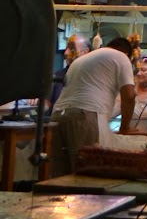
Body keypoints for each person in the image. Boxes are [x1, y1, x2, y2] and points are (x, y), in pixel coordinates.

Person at [50, 36, 137, 175]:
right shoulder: (121, 57)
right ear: (127, 54)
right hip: (85, 115)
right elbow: (130, 95)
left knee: (59, 176)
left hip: (58, 116)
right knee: (89, 172)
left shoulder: (81, 60)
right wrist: (125, 127)